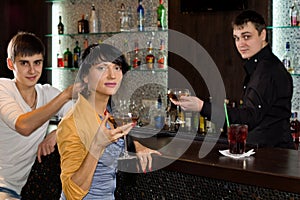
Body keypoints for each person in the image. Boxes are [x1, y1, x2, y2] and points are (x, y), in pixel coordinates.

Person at [173, 10, 294, 149]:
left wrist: (202, 107)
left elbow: (248, 118)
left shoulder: (267, 71)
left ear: (263, 35)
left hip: (273, 156)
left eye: (246, 36)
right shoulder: (260, 67)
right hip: (268, 152)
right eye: (237, 38)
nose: (241, 43)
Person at [56, 43, 161, 200]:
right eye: (102, 68)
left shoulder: (109, 113)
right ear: (84, 76)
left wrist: (138, 146)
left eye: (117, 67)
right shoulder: (72, 123)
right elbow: (71, 193)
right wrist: (96, 147)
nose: (112, 75)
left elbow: (119, 139)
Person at [0, 32, 82, 199]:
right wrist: (65, 95)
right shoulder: (3, 88)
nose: (32, 70)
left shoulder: (47, 93)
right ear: (10, 64)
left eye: (37, 62)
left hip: (15, 190)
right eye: (24, 63)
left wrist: (57, 133)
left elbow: (83, 117)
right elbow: (24, 126)